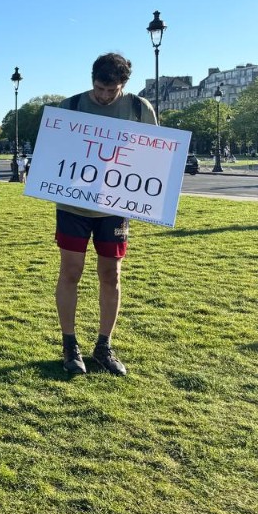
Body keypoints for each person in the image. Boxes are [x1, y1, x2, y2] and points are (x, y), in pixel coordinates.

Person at [55, 53, 157, 376]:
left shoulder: (140, 109)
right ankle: (70, 345)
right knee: (71, 270)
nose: (103, 96)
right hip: (73, 204)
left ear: (123, 86)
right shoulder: (69, 107)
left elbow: (152, 156)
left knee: (111, 274)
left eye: (110, 91)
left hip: (115, 206)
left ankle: (104, 345)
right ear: (92, 80)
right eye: (99, 88)